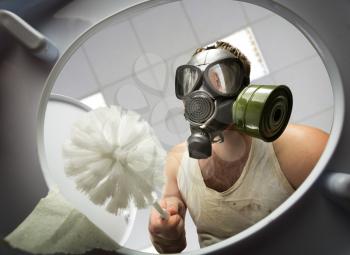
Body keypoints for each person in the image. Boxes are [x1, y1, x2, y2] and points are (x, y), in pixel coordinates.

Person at [148, 41, 329, 253]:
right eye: (191, 82)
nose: (202, 92)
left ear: (245, 90)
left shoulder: (299, 146)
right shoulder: (178, 162)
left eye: (220, 80)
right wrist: (162, 231)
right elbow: (171, 246)